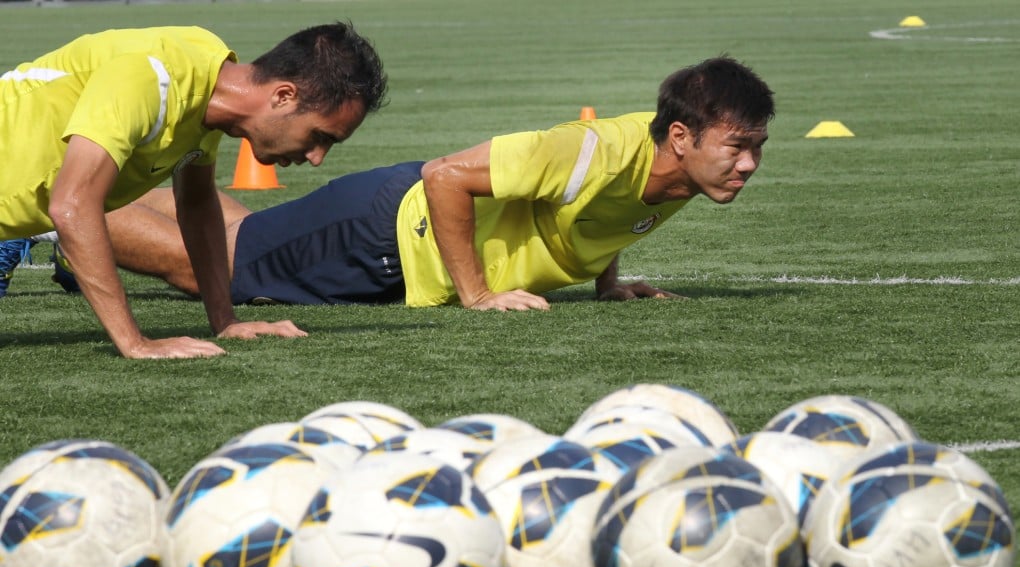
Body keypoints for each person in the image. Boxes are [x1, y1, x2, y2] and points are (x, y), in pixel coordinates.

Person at [24, 56, 772, 312]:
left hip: (385, 239)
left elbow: (602, 213)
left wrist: (607, 283)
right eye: (737, 149)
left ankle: (84, 217)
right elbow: (444, 175)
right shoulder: (591, 149)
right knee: (213, 265)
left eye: (756, 150)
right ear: (683, 136)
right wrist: (475, 295)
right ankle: (55, 224)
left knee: (242, 230)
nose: (747, 165)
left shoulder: (675, 170)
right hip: (382, 236)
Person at [0, 22, 387, 359]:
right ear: (283, 96)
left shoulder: (210, 84)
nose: (317, 157)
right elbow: (71, 204)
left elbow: (197, 203)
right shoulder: (151, 78)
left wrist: (225, 322)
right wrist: (135, 342)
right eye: (320, 136)